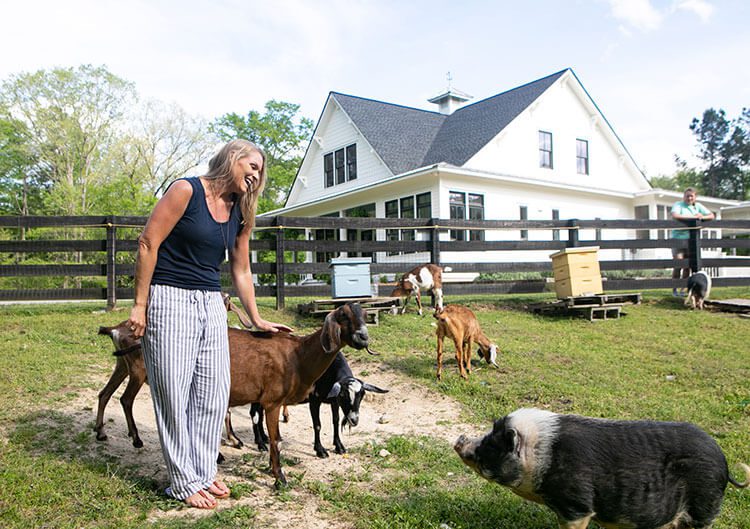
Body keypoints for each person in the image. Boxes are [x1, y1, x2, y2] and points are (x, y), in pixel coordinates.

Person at [127, 139, 292, 509]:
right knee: (174, 393)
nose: (256, 174)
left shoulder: (241, 211)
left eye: (260, 171)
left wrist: (255, 317)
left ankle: (202, 471)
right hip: (169, 297)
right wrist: (140, 305)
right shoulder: (186, 190)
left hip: (212, 303)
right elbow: (148, 244)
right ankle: (183, 482)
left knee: (213, 394)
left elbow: (242, 269)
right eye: (252, 165)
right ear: (232, 158)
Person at [670, 187, 714, 296]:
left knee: (687, 266)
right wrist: (692, 217)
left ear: (695, 197)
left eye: (691, 196)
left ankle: (683, 289)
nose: (689, 198)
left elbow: (712, 215)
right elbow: (675, 215)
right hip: (678, 239)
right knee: (678, 263)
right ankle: (674, 289)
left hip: (691, 240)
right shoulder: (678, 205)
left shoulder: (698, 206)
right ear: (684, 196)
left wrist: (701, 217)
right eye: (687, 196)